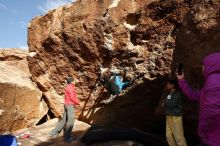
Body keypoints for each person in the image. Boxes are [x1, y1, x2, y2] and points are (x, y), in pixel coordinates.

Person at [176, 52, 220, 146]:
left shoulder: (214, 80)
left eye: (203, 65)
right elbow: (195, 96)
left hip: (214, 139)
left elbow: (211, 110)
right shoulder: (215, 80)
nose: (202, 69)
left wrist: (203, 130)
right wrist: (181, 80)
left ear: (211, 65)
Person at [49, 76, 80, 143]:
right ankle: (67, 137)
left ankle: (54, 132)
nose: (75, 82)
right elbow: (72, 97)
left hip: (66, 105)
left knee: (64, 120)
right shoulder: (71, 88)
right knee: (71, 121)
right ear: (72, 81)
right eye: (74, 81)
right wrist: (78, 102)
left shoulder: (68, 87)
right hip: (70, 106)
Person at [163, 79, 187, 146]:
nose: (167, 85)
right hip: (169, 116)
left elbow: (172, 104)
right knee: (168, 135)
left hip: (175, 117)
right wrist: (165, 102)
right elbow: (168, 101)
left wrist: (165, 101)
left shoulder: (177, 94)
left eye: (168, 84)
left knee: (179, 137)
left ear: (173, 85)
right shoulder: (170, 93)